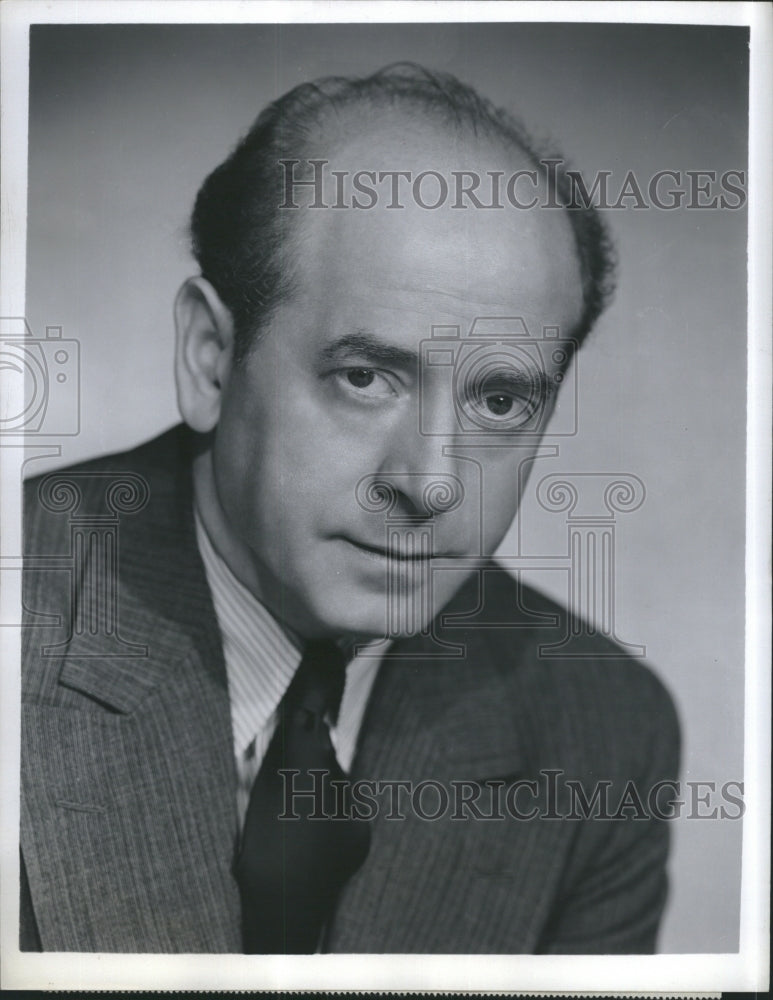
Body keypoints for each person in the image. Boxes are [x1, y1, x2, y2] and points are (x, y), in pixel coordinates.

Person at [20, 65, 679, 954]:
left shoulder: (599, 733)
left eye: (499, 403)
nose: (431, 482)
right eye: (364, 378)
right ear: (211, 359)